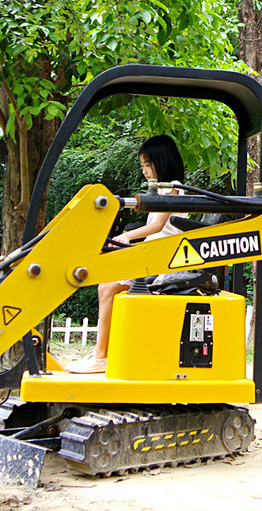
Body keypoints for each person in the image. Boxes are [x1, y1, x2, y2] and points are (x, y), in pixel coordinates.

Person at [66, 136, 187, 374]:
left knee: (107, 287)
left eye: (147, 164)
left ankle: (102, 355)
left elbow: (156, 227)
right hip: (153, 256)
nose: (143, 171)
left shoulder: (172, 188)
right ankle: (103, 350)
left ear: (162, 161)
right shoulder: (162, 190)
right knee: (105, 280)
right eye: (142, 165)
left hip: (163, 261)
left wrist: (127, 237)